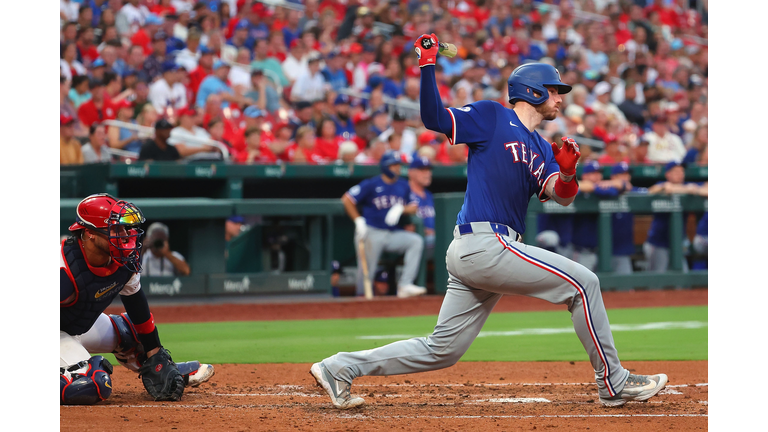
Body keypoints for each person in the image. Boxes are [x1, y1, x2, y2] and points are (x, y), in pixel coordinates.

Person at [310, 45, 667, 411]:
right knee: (583, 283)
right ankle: (614, 382)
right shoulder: (492, 116)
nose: (560, 98)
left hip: (484, 251)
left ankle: (339, 367)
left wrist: (570, 171)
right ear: (533, 90)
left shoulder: (542, 147)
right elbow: (434, 118)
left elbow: (562, 197)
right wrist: (428, 66)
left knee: (442, 350)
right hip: (484, 243)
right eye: (555, 90)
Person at [60, 194, 214, 405]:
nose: (124, 235)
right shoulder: (63, 270)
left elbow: (138, 308)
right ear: (90, 234)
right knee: (89, 384)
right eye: (115, 229)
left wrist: (156, 354)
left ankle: (161, 370)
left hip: (77, 327)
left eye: (124, 228)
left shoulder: (123, 260)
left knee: (131, 333)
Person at [341, 150, 427, 299]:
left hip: (392, 234)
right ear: (385, 166)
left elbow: (414, 207)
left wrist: (401, 208)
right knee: (367, 270)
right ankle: (361, 297)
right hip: (371, 231)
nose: (397, 168)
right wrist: (358, 220)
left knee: (416, 241)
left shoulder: (403, 185)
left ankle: (405, 285)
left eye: (398, 165)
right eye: (393, 165)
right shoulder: (372, 184)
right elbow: (347, 199)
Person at [643, 161, 705, 272]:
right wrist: (687, 190)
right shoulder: (661, 185)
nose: (680, 174)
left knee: (682, 280)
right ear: (668, 174)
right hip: (658, 243)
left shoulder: (688, 185)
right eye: (676, 171)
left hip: (678, 244)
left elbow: (706, 189)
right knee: (657, 282)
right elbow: (652, 190)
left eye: (682, 171)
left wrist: (694, 189)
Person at [406, 156, 436, 260]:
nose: (427, 174)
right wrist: (425, 231)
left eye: (428, 170)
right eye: (422, 170)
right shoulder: (404, 192)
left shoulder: (429, 195)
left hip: (431, 240)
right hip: (414, 240)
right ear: (410, 172)